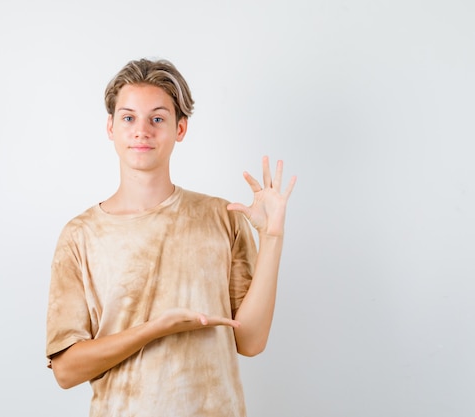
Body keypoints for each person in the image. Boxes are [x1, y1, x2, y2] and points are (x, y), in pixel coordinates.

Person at [45, 58, 296, 417]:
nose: (142, 130)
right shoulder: (81, 235)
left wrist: (272, 237)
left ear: (180, 128)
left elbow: (251, 341)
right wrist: (154, 329)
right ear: (111, 127)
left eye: (157, 118)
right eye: (128, 117)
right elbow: (66, 370)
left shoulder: (222, 217)